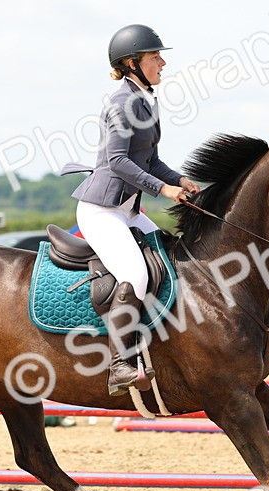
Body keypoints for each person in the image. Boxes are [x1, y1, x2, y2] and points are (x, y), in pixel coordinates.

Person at [70, 24, 200, 395]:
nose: (163, 61)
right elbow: (117, 161)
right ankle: (119, 365)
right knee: (135, 274)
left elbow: (150, 159)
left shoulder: (145, 98)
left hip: (127, 208)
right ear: (132, 62)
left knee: (170, 258)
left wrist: (180, 179)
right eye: (155, 56)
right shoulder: (121, 102)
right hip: (102, 209)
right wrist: (163, 190)